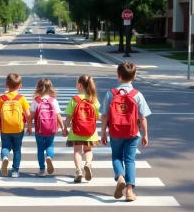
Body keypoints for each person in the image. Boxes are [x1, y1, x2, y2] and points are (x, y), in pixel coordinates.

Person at [100, 62, 151, 202]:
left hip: (115, 131)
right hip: (133, 132)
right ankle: (129, 191)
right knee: (130, 160)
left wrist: (103, 132)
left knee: (116, 156)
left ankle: (120, 176)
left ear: (118, 76)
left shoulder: (110, 94)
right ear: (134, 76)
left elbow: (105, 116)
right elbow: (142, 117)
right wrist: (145, 134)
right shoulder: (137, 95)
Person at [0, 73, 32, 178]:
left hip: (5, 129)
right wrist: (29, 126)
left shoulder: (2, 98)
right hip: (18, 129)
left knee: (5, 146)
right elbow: (28, 114)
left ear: (6, 85)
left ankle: (5, 157)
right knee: (17, 149)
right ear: (20, 86)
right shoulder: (22, 98)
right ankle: (15, 171)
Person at [63, 76, 100, 183]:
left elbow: (69, 116)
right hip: (90, 132)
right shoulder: (94, 99)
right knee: (88, 150)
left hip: (76, 131)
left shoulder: (74, 99)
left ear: (79, 85)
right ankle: (88, 164)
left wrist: (65, 127)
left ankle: (78, 171)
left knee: (77, 151)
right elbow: (97, 116)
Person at [30, 78, 64, 177]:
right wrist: (63, 127)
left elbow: (31, 116)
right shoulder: (53, 101)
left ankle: (42, 170)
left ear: (38, 88)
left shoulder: (36, 101)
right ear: (50, 88)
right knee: (50, 145)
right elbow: (58, 115)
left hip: (39, 129)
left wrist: (28, 126)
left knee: (40, 149)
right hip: (51, 129)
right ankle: (49, 156)